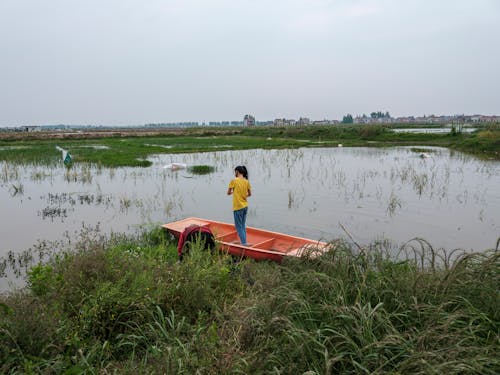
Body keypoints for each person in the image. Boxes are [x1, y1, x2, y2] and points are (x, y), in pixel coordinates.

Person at [227, 165, 252, 245]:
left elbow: (228, 193)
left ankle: (244, 244)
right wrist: (243, 195)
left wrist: (233, 192)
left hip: (238, 207)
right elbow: (249, 194)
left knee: (238, 227)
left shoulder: (233, 181)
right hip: (245, 206)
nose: (234, 173)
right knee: (243, 225)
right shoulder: (246, 181)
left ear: (237, 171)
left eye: (235, 172)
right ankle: (244, 242)